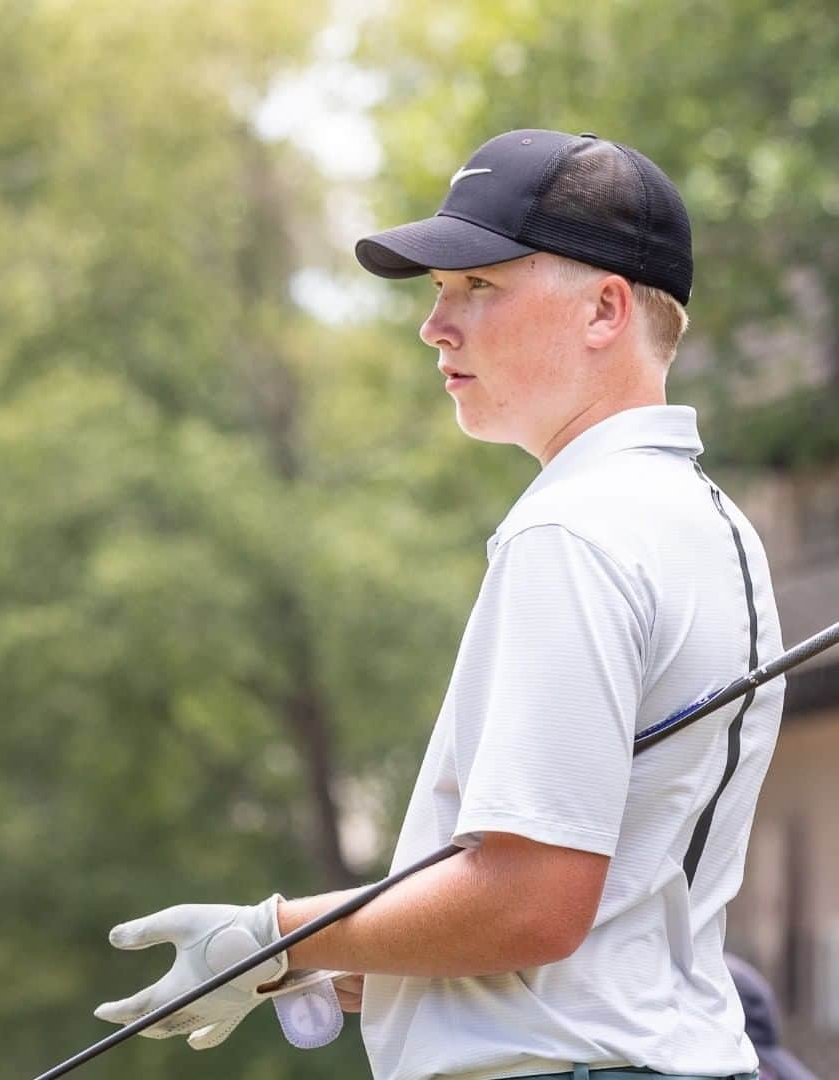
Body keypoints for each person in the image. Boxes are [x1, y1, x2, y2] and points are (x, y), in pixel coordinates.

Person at [94, 130, 786, 1080]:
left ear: (605, 309)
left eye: (480, 287)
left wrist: (276, 935)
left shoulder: (573, 533)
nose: (437, 326)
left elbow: (533, 902)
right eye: (436, 293)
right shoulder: (711, 524)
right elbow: (605, 917)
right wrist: (341, 954)